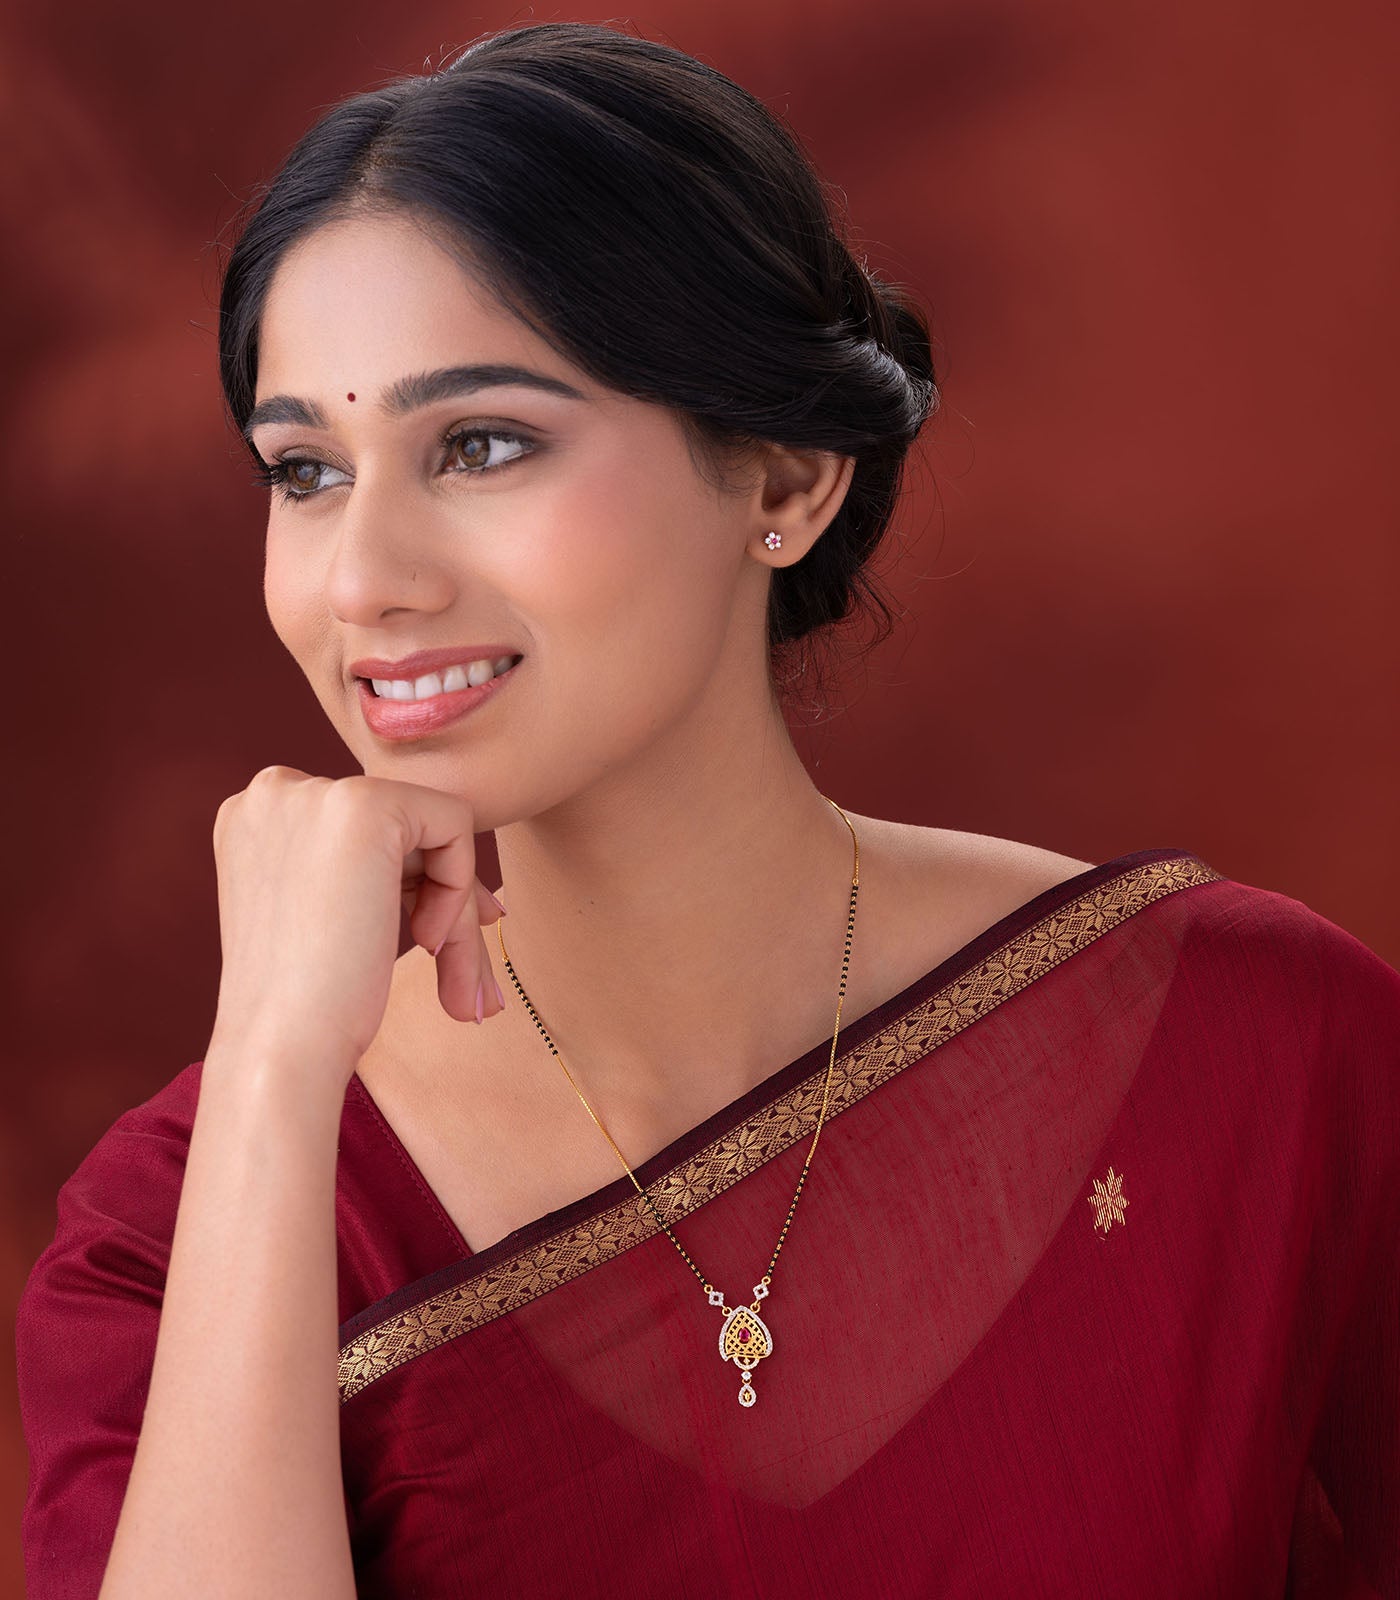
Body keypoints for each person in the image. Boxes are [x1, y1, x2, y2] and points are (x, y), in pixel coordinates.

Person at [15, 20, 1398, 1599]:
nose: (363, 582)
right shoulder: (179, 1230)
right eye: (305, 472)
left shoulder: (1246, 1048)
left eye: (480, 444)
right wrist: (271, 1077)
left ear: (787, 480)